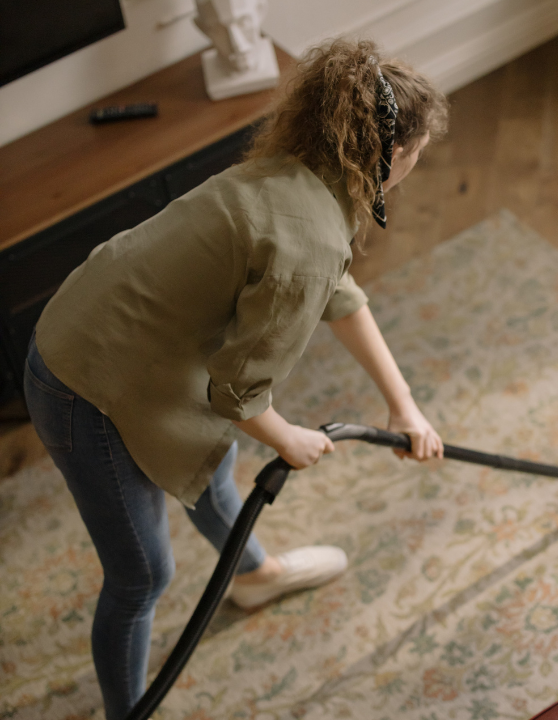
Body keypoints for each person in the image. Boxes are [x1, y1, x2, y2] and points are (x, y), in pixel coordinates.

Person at [23, 38, 448, 720]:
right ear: (392, 153)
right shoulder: (304, 235)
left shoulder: (303, 173)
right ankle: (125, 712)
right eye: (419, 151)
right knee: (140, 576)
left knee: (212, 467)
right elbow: (237, 393)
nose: (417, 163)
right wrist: (290, 439)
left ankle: (253, 577)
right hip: (85, 381)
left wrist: (405, 407)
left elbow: (341, 292)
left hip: (122, 333)